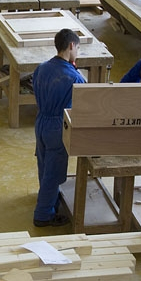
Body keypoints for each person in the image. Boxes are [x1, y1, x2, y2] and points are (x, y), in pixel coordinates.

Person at [31, 28, 85, 227]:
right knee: (54, 173)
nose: (77, 53)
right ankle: (43, 215)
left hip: (41, 122)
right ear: (71, 46)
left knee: (44, 166)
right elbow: (84, 106)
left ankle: (48, 201)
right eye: (78, 48)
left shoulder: (41, 68)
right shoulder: (75, 78)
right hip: (58, 127)